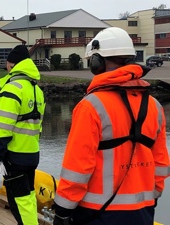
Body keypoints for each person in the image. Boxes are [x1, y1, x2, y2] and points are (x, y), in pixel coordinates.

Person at [53, 27, 170, 225]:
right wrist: (153, 195)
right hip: (143, 211)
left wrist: (63, 211)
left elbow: (78, 167)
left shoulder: (90, 107)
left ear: (97, 63)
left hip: (97, 213)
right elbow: (161, 162)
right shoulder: (154, 106)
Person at [0, 44, 46, 225]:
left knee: (18, 201)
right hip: (32, 152)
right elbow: (39, 125)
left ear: (11, 64)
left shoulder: (12, 88)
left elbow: (3, 124)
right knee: (28, 196)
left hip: (14, 155)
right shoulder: (36, 89)